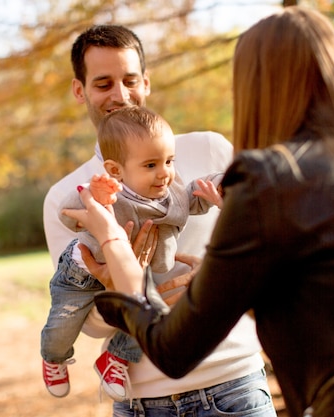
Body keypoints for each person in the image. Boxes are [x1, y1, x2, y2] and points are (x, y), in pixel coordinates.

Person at [64, 7, 334, 417]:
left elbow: (174, 350)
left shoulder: (269, 177)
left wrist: (114, 257)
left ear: (255, 85)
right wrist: (233, 282)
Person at [42, 24, 277, 417]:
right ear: (79, 90)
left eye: (130, 80)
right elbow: (88, 322)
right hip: (140, 402)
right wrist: (117, 284)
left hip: (235, 385)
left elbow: (274, 249)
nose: (120, 95)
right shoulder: (67, 198)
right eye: (103, 83)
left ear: (146, 83)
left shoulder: (209, 151)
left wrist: (219, 277)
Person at [40, 106, 223, 401]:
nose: (164, 172)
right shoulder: (109, 190)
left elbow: (195, 197)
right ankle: (53, 357)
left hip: (133, 273)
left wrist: (217, 186)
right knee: (63, 325)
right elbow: (68, 213)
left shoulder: (172, 193)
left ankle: (114, 360)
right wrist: (95, 198)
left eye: (169, 161)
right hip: (80, 275)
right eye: (150, 165)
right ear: (115, 170)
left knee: (148, 315)